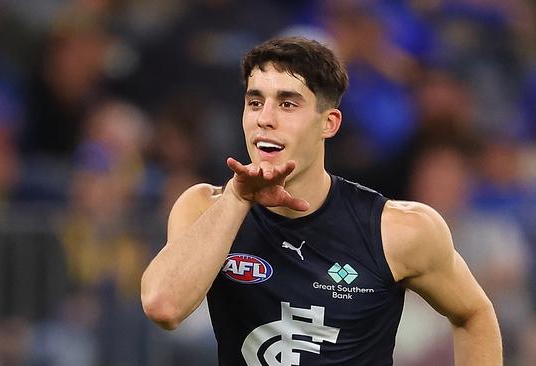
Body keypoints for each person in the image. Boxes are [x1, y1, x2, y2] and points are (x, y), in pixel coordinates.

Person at [141, 37, 501, 365]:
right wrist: (238, 197)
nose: (265, 119)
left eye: (287, 103)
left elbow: (474, 314)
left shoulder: (397, 229)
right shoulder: (206, 206)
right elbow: (163, 306)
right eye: (255, 102)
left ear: (328, 123)